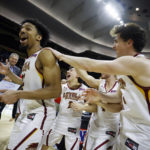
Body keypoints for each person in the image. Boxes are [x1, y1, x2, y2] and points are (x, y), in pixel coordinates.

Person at [51, 23, 150, 150]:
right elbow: (117, 98)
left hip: (142, 136)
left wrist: (60, 56)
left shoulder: (136, 62)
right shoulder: (125, 72)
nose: (113, 46)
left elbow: (90, 65)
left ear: (129, 42)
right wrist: (100, 96)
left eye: (116, 41)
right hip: (126, 131)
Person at [0, 19, 61, 150]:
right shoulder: (28, 60)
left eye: (28, 29)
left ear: (39, 37)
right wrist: (9, 73)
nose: (22, 30)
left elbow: (55, 90)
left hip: (39, 113)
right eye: (21, 29)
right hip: (25, 113)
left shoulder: (45, 54)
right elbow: (25, 84)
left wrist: (18, 94)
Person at [72, 70, 120, 150]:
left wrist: (99, 101)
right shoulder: (100, 83)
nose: (101, 70)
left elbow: (118, 108)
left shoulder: (120, 87)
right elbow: (86, 77)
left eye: (104, 68)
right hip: (94, 124)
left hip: (109, 128)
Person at [43, 67, 88, 150]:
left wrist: (83, 107)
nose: (67, 71)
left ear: (78, 74)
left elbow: (93, 107)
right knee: (45, 142)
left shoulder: (85, 90)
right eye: (68, 70)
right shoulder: (62, 87)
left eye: (71, 70)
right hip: (59, 120)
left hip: (74, 124)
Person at [0, 53, 21, 121]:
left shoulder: (18, 70)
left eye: (16, 59)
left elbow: (17, 82)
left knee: (1, 109)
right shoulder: (2, 65)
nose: (14, 60)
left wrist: (12, 80)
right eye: (13, 58)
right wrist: (3, 79)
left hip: (7, 92)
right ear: (9, 58)